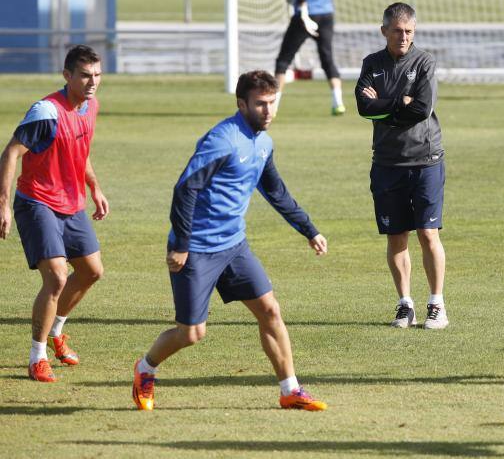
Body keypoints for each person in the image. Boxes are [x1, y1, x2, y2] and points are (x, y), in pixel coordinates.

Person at [132, 71, 328, 412]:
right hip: (196, 249)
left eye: (272, 102)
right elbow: (185, 189)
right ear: (242, 104)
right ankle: (145, 369)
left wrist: (309, 229)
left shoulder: (264, 143)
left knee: (270, 310)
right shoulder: (222, 141)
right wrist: (180, 244)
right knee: (191, 333)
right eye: (260, 104)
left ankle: (290, 389)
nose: (268, 111)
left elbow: (276, 192)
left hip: (234, 246)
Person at [0, 45, 108, 383]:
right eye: (85, 75)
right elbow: (11, 153)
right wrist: (3, 204)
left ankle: (57, 331)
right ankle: (37, 355)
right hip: (37, 202)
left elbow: (81, 150)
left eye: (97, 75)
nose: (92, 82)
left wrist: (95, 188)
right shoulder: (46, 111)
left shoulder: (90, 106)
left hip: (72, 202)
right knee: (57, 278)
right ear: (67, 76)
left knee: (91, 272)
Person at [355, 2, 448, 330]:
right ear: (384, 31)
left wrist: (385, 105)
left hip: (425, 160)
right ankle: (404, 304)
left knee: (427, 232)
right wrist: (398, 103)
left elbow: (421, 109)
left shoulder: (424, 61)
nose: (403, 37)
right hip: (387, 162)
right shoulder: (372, 63)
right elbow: (364, 108)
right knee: (396, 236)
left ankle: (436, 304)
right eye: (397, 31)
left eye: (409, 31)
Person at [274, 0, 345, 116]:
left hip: (305, 15)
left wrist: (302, 6)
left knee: (283, 61)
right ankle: (338, 103)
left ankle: (273, 106)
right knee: (327, 60)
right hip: (326, 14)